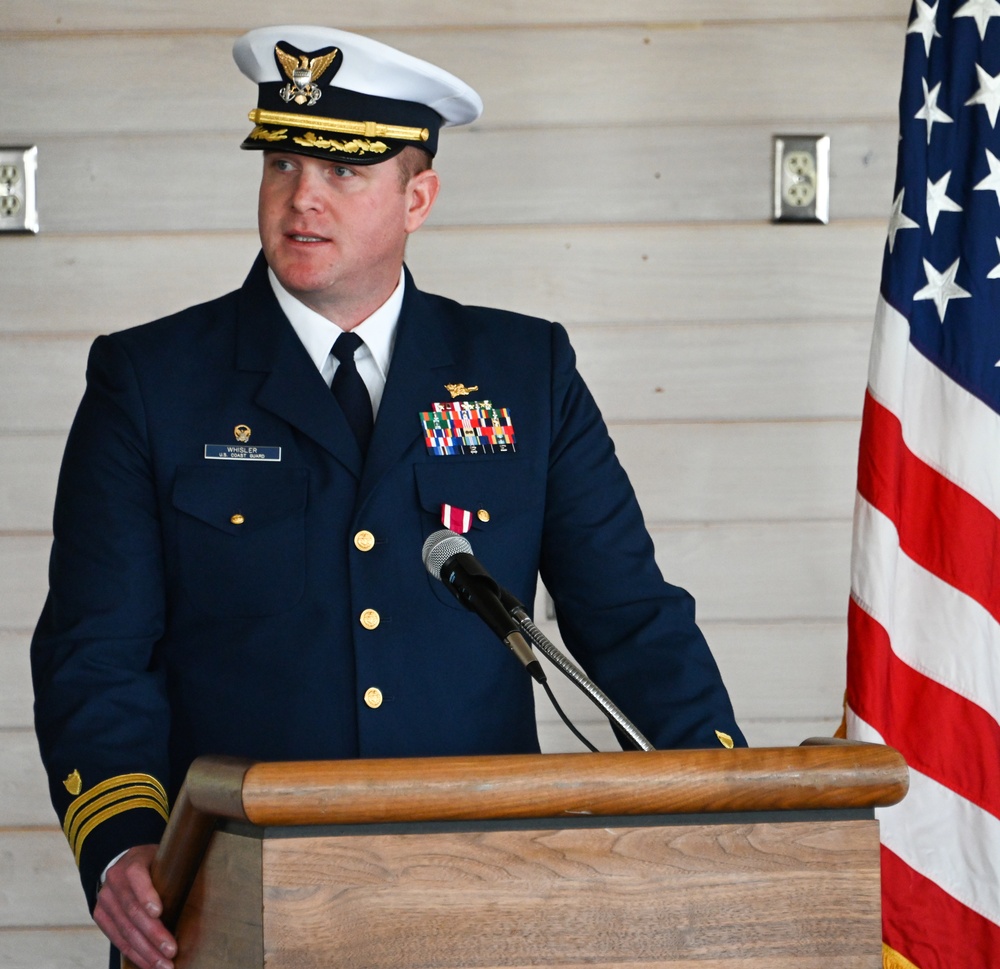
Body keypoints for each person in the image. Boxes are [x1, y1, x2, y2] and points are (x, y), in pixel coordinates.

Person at [30, 24, 746, 969]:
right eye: (282, 163)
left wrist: (733, 793)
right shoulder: (152, 380)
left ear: (418, 196)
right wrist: (122, 838)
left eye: (342, 173)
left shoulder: (525, 371)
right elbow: (97, 651)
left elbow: (630, 617)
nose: (302, 199)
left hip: (479, 894)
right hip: (228, 896)